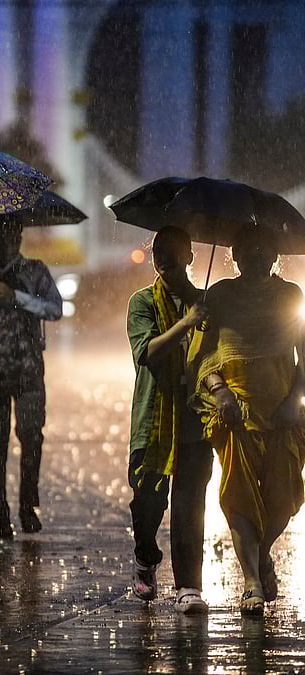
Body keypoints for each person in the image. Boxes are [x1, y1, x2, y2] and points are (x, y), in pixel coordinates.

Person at [188, 227, 305, 616]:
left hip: (283, 414)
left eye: (263, 251)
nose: (256, 256)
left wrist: (293, 399)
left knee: (284, 497)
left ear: (275, 257)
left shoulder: (290, 296)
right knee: (238, 495)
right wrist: (220, 393)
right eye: (248, 251)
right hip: (234, 413)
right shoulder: (219, 295)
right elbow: (203, 356)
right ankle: (252, 580)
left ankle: (262, 551)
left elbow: (303, 358)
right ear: (235, 256)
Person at [125, 226, 213, 614]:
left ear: (190, 257)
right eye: (159, 250)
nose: (164, 257)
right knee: (148, 501)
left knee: (190, 503)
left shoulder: (205, 305)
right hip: (153, 418)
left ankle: (188, 586)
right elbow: (148, 353)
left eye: (174, 251)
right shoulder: (142, 302)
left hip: (194, 418)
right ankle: (145, 557)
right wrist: (185, 325)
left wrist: (200, 320)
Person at [0, 217, 63, 538]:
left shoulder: (35, 271)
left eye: (13, 236)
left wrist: (15, 297)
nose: (8, 243)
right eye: (1, 237)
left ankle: (27, 507)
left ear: (20, 237)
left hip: (29, 372)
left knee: (32, 438)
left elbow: (55, 309)